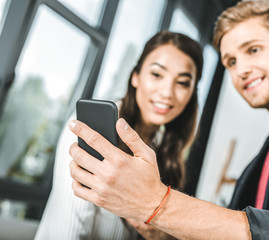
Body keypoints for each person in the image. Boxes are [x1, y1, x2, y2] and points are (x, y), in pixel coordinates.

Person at [68, 1, 269, 239]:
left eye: (253, 49)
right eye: (231, 62)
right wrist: (162, 231)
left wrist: (157, 203)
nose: (241, 69)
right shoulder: (259, 163)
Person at [35, 31, 203, 239]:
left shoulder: (162, 145)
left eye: (183, 83)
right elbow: (68, 231)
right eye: (157, 75)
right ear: (135, 77)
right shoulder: (92, 128)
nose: (167, 92)